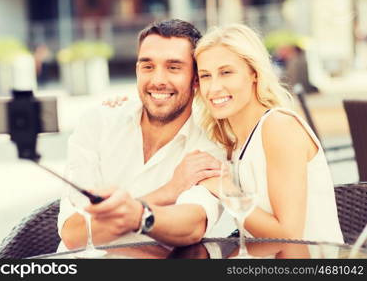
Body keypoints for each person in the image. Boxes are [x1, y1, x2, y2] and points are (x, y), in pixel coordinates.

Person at [57, 19, 226, 252]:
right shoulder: (97, 123)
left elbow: (192, 226)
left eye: (173, 67)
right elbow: (74, 234)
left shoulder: (210, 143)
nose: (157, 80)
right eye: (147, 66)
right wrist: (168, 191)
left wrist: (117, 216)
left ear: (196, 78)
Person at [194, 24, 343, 243]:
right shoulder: (235, 140)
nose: (214, 87)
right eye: (205, 76)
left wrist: (223, 188)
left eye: (226, 72)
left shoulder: (278, 127)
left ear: (254, 74)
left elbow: (289, 237)